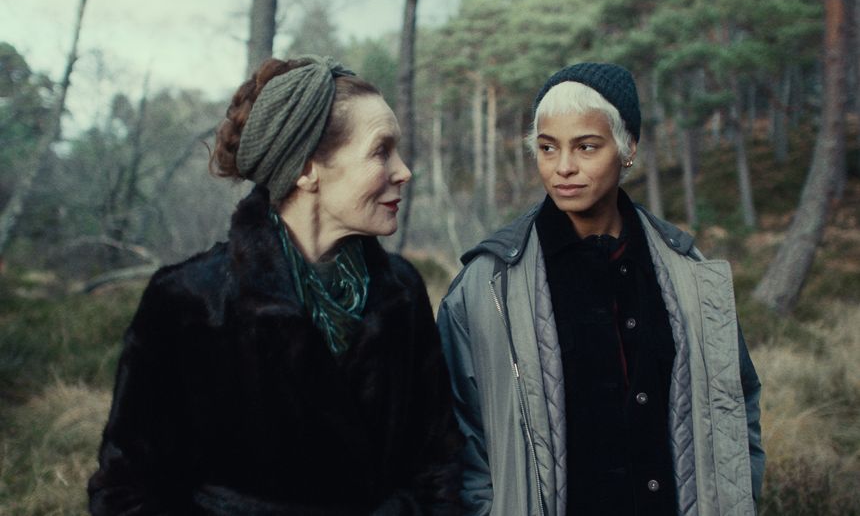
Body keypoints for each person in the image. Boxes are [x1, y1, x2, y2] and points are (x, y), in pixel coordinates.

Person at [89, 55, 462, 515]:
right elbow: (127, 489)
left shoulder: (400, 291)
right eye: (381, 150)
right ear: (307, 169)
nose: (404, 170)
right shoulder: (190, 301)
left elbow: (437, 463)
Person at [437, 62, 764, 516]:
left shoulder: (689, 271)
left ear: (628, 148)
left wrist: (737, 497)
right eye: (548, 148)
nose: (563, 167)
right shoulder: (486, 286)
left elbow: (737, 405)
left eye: (586, 147)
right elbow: (456, 440)